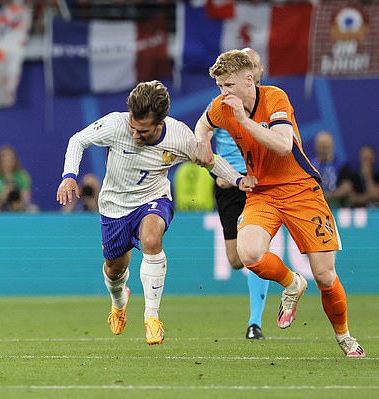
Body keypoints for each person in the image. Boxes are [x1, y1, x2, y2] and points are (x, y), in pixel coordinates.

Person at [193, 49, 365, 357]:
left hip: (301, 190)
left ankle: (345, 337)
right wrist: (203, 142)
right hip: (262, 193)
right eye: (219, 87)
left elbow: (284, 146)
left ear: (249, 80)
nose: (223, 94)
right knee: (247, 254)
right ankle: (293, 283)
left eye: (229, 86)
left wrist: (244, 120)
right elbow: (204, 124)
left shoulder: (275, 98)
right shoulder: (222, 106)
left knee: (325, 276)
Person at [56, 80, 256, 345]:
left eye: (143, 131)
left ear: (160, 122)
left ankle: (152, 318)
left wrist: (239, 180)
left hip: (154, 198)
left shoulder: (179, 136)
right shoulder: (116, 125)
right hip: (114, 206)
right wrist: (69, 176)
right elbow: (77, 140)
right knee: (114, 269)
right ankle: (119, 301)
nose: (135, 134)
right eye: (133, 128)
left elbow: (210, 161)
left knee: (151, 239)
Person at [209, 48, 270, 340]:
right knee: (236, 260)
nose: (255, 71)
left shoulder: (270, 101)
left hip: (258, 184)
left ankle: (254, 322)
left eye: (257, 66)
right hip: (228, 183)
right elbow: (205, 133)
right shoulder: (223, 103)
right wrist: (218, 172)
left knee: (255, 253)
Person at [0, 145, 36, 213]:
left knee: (33, 210)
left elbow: (26, 201)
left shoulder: (22, 176)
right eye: (4, 160)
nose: (7, 163)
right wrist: (2, 197)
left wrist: (17, 203)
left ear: (15, 160)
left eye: (10, 160)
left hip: (20, 212)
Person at [311, 131, 352, 208]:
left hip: (337, 208)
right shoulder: (310, 166)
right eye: (321, 147)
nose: (324, 150)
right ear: (316, 146)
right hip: (316, 208)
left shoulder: (341, 165)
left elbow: (346, 188)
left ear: (332, 146)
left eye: (326, 146)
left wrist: (324, 195)